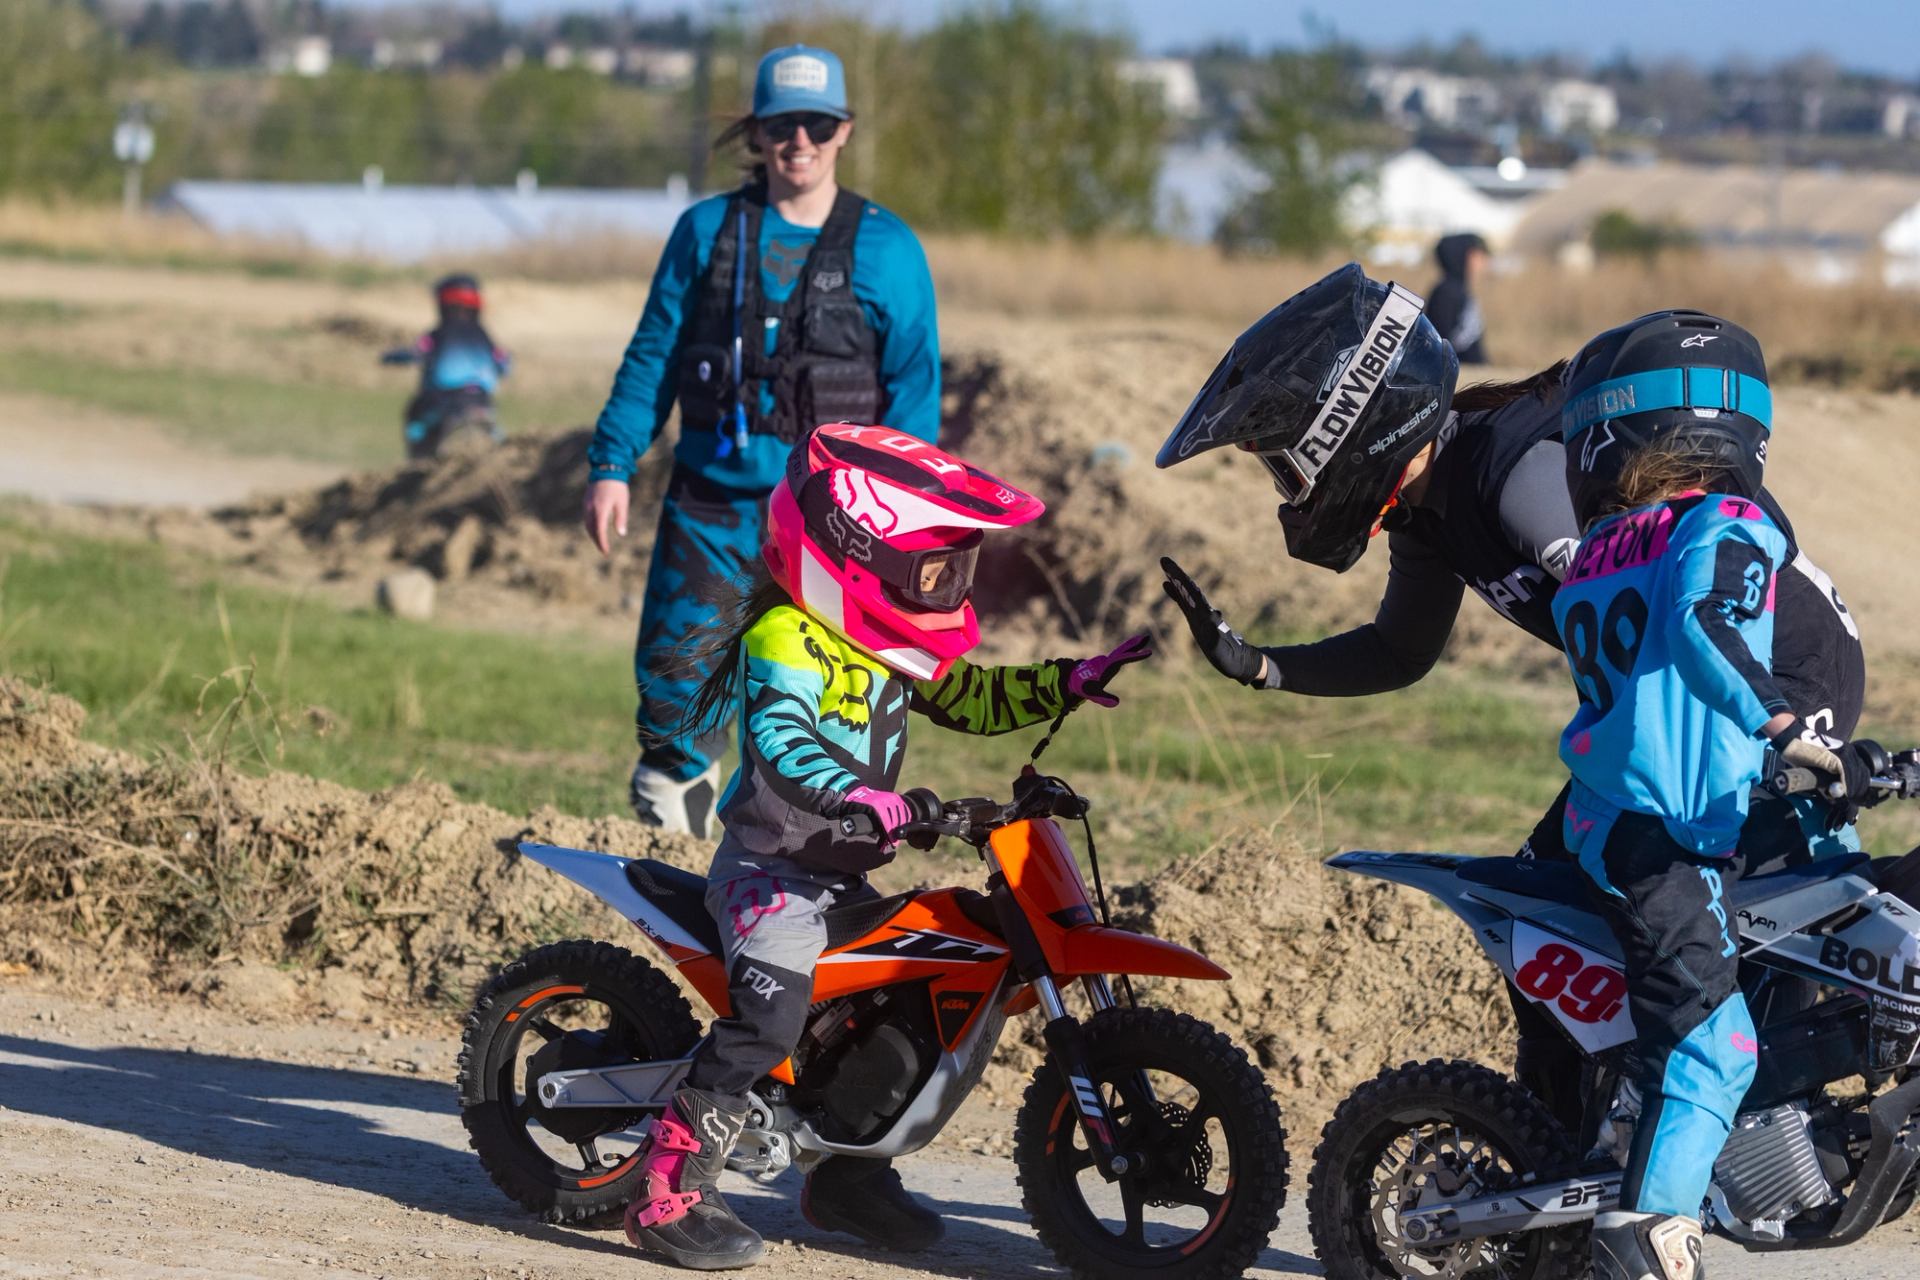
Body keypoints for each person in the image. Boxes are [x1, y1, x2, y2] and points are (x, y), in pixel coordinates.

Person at [1151, 267, 1866, 1129]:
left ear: (1348, 426)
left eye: (1282, 462)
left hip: (1773, 680)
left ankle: (1726, 1128)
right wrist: (1261, 666)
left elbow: (1688, 574)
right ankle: (1576, 1153)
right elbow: (1399, 649)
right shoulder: (1431, 502)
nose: (1285, 487)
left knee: (1671, 920)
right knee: (1548, 929)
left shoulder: (1514, 472)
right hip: (1686, 704)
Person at [623, 423, 1152, 1270]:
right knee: (770, 1016)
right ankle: (668, 1189)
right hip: (771, 876)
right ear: (854, 556)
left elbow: (973, 697)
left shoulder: (891, 643)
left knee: (941, 983)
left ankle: (847, 1175)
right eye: (934, 571)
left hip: (840, 881)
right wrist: (863, 796)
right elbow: (787, 739)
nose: (948, 586)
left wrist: (1068, 680)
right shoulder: (786, 639)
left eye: (956, 570)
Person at [1549, 312, 1873, 1279]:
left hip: (1637, 817)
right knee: (1714, 1050)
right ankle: (1644, 1250)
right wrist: (1785, 726)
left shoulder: (1605, 544)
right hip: (1665, 839)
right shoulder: (1723, 524)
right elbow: (1704, 623)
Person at [583, 43, 940, 840]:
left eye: (817, 124)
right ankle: (679, 870)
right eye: (782, 124)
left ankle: (784, 896)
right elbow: (653, 358)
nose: (799, 142)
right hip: (709, 511)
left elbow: (915, 396)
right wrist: (611, 464)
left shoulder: (891, 250)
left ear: (844, 130)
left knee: (813, 725)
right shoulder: (703, 232)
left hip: (830, 530)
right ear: (757, 131)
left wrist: (909, 522)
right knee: (677, 715)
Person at [387, 272, 510, 459]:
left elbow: (417, 353)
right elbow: (503, 363)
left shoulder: (436, 336)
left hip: (443, 403)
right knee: (498, 436)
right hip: (482, 402)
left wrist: (395, 356)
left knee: (415, 420)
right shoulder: (485, 337)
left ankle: (418, 464)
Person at [1428, 232, 1490, 364]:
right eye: (1477, 256)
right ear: (1461, 256)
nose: (1482, 262)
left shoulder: (1461, 290)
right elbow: (1440, 343)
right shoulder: (1446, 292)